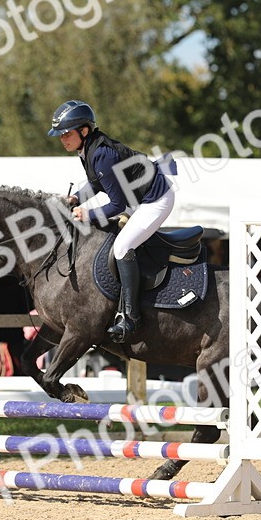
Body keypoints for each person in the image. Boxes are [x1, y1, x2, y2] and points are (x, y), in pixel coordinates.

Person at [50, 99, 174, 342]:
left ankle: (131, 318)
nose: (62, 139)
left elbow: (118, 205)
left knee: (122, 247)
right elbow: (97, 184)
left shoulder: (101, 154)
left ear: (83, 131)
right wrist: (77, 198)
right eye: (60, 134)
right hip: (140, 200)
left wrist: (87, 214)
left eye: (66, 133)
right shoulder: (88, 149)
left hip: (156, 200)